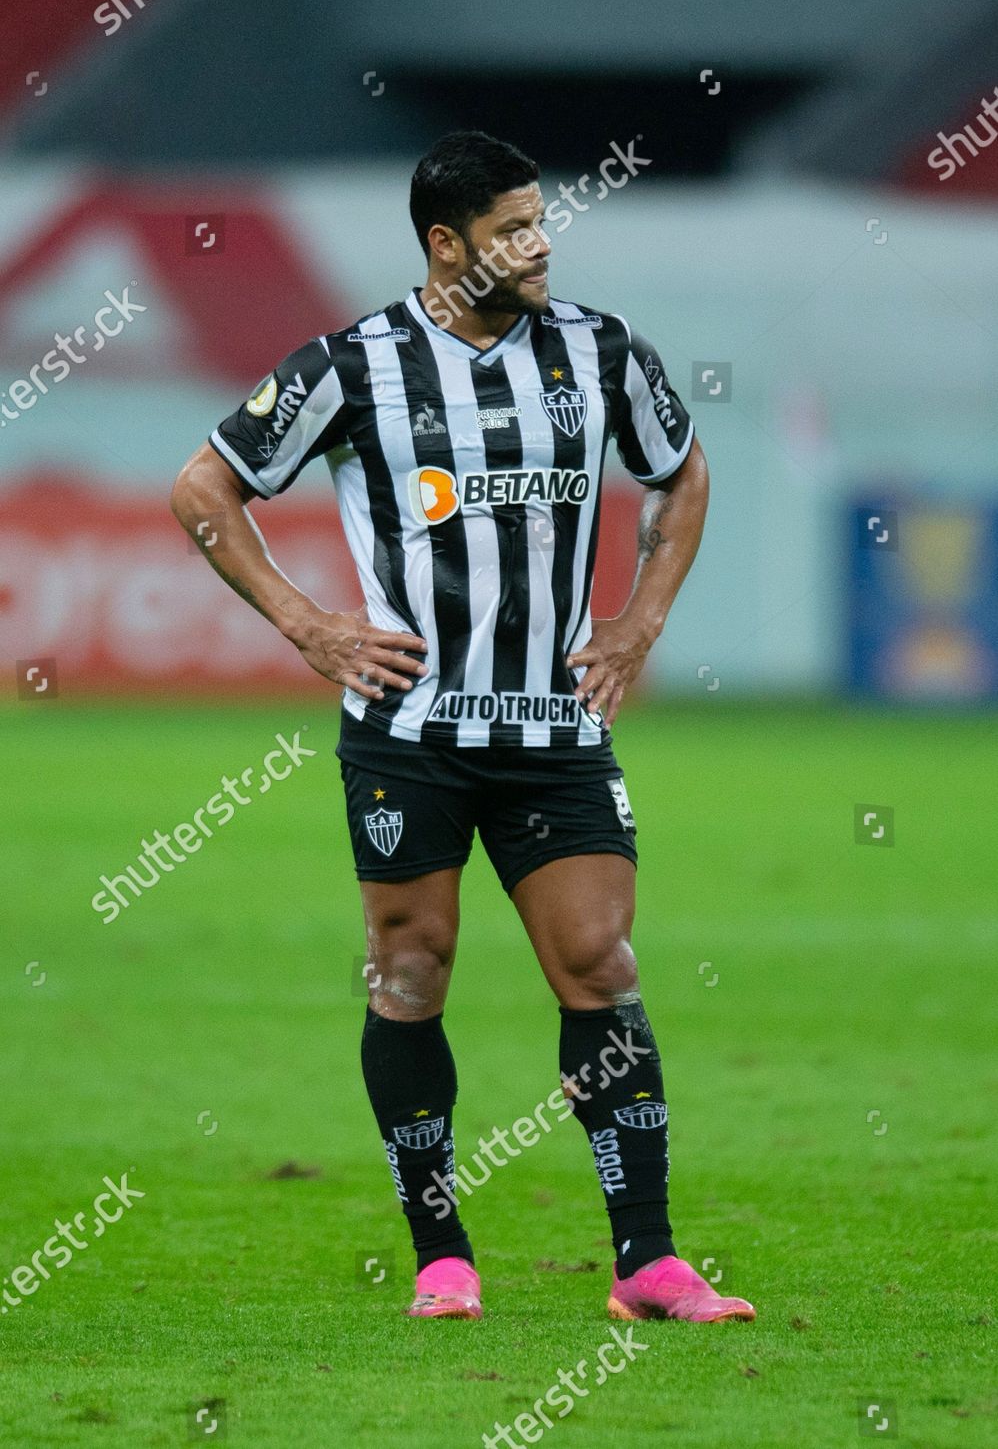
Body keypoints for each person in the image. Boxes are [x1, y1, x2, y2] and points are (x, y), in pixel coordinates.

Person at [171, 130, 755, 1324]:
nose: (536, 246)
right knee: (410, 969)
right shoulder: (351, 364)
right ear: (446, 245)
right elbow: (204, 488)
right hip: (407, 736)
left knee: (599, 962)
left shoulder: (595, 351)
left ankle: (643, 1261)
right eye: (510, 231)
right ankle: (442, 1253)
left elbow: (681, 473)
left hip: (554, 723)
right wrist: (310, 626)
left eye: (541, 223)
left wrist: (639, 624)